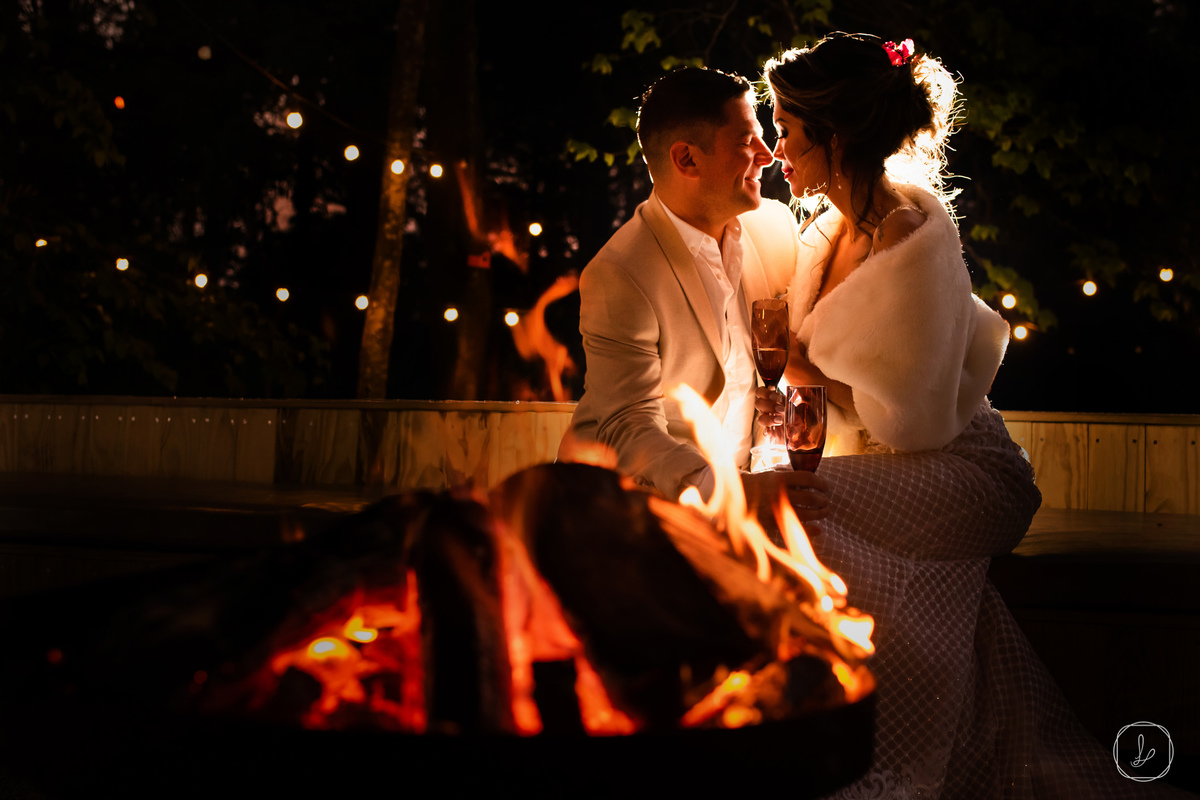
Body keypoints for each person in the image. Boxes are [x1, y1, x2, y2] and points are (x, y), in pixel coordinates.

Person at [764, 33, 1189, 800]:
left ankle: (888, 764)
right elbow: (815, 394)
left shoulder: (908, 233)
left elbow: (916, 423)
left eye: (788, 129)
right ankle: (953, 740)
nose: (777, 148)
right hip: (901, 467)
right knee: (788, 506)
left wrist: (803, 368)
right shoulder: (822, 234)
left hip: (971, 471)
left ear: (834, 136)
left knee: (806, 517)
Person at [559, 67, 827, 517]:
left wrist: (773, 403)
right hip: (622, 517)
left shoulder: (777, 230)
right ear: (687, 160)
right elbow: (628, 428)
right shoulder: (620, 273)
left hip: (747, 512)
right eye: (746, 142)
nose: (767, 155)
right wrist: (733, 493)